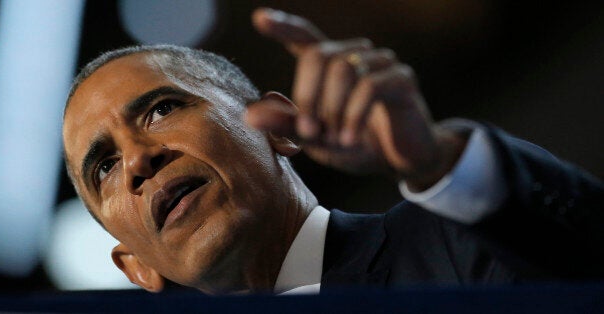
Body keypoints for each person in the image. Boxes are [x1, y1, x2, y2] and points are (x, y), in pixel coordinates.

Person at [62, 8, 604, 295]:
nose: (137, 160)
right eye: (104, 167)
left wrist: (440, 163)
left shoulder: (455, 247)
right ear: (135, 269)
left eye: (161, 110)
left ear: (279, 127)